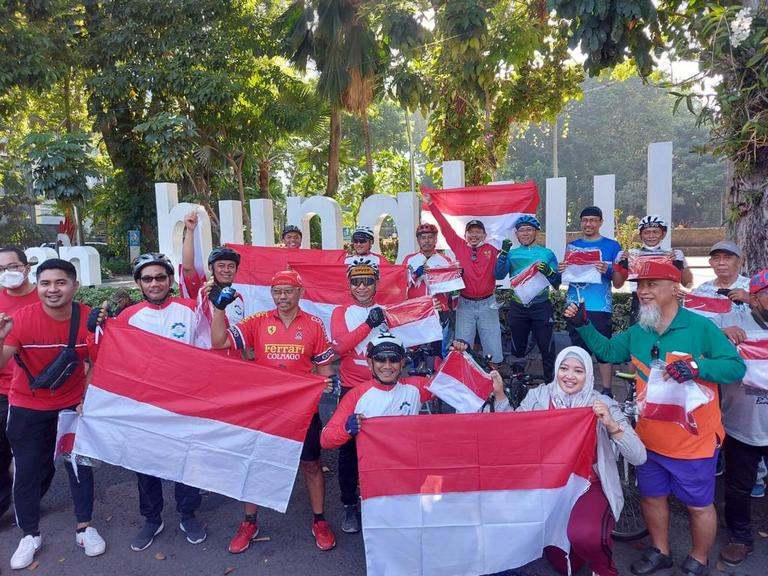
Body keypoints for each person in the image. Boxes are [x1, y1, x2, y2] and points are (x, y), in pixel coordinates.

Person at [564, 260, 746, 576]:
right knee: (651, 497)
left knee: (699, 505)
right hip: (649, 437)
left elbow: (735, 367)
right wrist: (583, 324)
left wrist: (697, 367)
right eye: (639, 285)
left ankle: (699, 557)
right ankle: (660, 550)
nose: (642, 291)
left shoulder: (701, 327)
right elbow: (607, 351)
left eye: (651, 284)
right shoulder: (640, 330)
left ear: (675, 288)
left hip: (693, 439)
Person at [480, 345, 646, 576]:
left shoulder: (601, 404)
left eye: (578, 371)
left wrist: (611, 424)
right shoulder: (539, 396)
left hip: (588, 483)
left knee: (585, 535)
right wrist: (499, 394)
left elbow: (639, 456)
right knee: (559, 561)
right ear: (556, 369)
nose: (569, 376)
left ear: (588, 374)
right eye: (564, 368)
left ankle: (603, 567)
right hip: (547, 484)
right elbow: (512, 430)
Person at [210, 270, 338, 553]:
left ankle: (319, 521)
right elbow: (219, 342)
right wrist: (219, 309)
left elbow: (325, 368)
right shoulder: (257, 321)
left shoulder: (315, 325)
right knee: (257, 463)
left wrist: (324, 383)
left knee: (312, 464)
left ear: (300, 293)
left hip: (301, 411)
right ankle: (249, 521)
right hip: (266, 411)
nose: (282, 296)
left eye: (288, 291)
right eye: (277, 291)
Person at [92, 253, 209, 551]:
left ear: (170, 280)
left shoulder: (189, 310)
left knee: (186, 461)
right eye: (147, 278)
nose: (154, 283)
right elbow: (108, 357)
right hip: (143, 407)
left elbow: (210, 350)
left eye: (160, 277)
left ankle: (187, 514)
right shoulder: (128, 318)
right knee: (146, 464)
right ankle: (152, 518)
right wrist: (95, 325)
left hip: (184, 404)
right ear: (138, 283)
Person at [0, 259, 106, 569]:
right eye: (45, 283)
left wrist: (87, 396)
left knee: (79, 467)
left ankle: (84, 528)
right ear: (38, 286)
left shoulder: (89, 318)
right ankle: (29, 535)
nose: (52, 289)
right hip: (26, 407)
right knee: (28, 472)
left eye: (60, 282)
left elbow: (98, 364)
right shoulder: (19, 320)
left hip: (72, 406)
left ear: (74, 285)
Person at [320, 333, 430, 508]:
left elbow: (456, 385)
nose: (387, 366)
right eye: (380, 360)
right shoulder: (357, 394)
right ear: (370, 364)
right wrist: (346, 430)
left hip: (406, 467)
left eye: (393, 360)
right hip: (372, 471)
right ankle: (350, 505)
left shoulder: (416, 386)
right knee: (348, 460)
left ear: (402, 363)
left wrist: (462, 353)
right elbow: (326, 439)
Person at [709, 268, 768, 566]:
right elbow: (701, 340)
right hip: (742, 425)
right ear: (754, 299)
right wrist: (721, 334)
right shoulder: (731, 320)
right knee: (737, 486)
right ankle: (740, 537)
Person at [328, 262, 387, 533]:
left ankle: (385, 500)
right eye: (356, 282)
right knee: (349, 450)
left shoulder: (389, 311)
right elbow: (339, 348)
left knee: (387, 450)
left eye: (367, 282)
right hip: (353, 391)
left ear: (376, 284)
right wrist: (367, 325)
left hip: (387, 388)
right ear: (349, 285)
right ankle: (349, 505)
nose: (361, 287)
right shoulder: (341, 312)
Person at [424, 193, 504, 370]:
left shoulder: (492, 250)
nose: (474, 235)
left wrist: (504, 256)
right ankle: (467, 386)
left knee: (493, 350)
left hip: (488, 304)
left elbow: (502, 271)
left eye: (478, 232)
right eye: (471, 232)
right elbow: (445, 228)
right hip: (465, 305)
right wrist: (431, 205)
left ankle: (493, 386)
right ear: (466, 234)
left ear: (484, 234)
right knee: (462, 349)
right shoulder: (459, 246)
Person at [560, 206, 622, 396]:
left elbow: (619, 283)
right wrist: (561, 269)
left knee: (603, 350)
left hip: (601, 306)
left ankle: (607, 389)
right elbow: (565, 276)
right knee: (578, 350)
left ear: (601, 222)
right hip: (574, 305)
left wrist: (609, 271)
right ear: (581, 222)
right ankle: (579, 389)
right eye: (585, 220)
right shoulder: (572, 246)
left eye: (593, 220)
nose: (589, 223)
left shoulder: (613, 246)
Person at [494, 215, 560, 381]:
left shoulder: (547, 253)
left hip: (541, 306)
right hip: (518, 307)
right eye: (521, 230)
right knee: (517, 347)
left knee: (547, 347)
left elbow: (557, 282)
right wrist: (503, 253)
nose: (525, 233)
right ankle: (518, 382)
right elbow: (499, 274)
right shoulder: (512, 254)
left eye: (529, 229)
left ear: (536, 232)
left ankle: (550, 383)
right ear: (516, 234)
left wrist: (549, 272)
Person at [0, 247, 40, 522]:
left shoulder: (47, 295)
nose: (7, 273)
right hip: (3, 389)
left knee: (37, 454)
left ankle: (31, 497)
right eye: (1, 269)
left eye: (12, 266)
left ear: (26, 267)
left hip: (39, 390)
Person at [613, 215, 693, 324]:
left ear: (663, 234)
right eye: (647, 232)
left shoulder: (672, 255)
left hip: (666, 302)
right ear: (641, 235)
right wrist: (617, 264)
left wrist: (683, 264)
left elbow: (688, 283)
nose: (651, 236)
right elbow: (617, 284)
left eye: (655, 232)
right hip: (640, 302)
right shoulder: (631, 255)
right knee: (639, 338)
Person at [180, 211, 245, 325]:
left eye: (231, 266)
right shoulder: (202, 291)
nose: (226, 270)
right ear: (211, 267)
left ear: (236, 270)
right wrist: (190, 231)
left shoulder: (237, 297)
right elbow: (188, 268)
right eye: (221, 266)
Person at [402, 222, 456, 360]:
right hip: (416, 309)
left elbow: (452, 290)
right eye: (423, 237)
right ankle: (418, 378)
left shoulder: (445, 260)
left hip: (439, 309)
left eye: (430, 237)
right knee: (416, 349)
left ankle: (437, 376)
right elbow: (401, 284)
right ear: (418, 240)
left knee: (438, 350)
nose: (426, 241)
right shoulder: (409, 259)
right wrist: (415, 274)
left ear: (435, 239)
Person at [691, 240, 750, 313]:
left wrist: (750, 299)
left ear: (740, 262)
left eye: (727, 258)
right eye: (716, 259)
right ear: (710, 263)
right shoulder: (702, 290)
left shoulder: (752, 287)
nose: (721, 263)